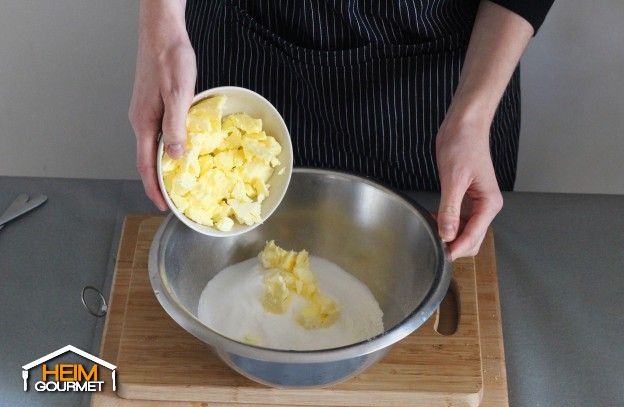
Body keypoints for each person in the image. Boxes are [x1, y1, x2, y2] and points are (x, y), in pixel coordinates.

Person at [129, 0, 553, 260]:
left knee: (418, 267)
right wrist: (160, 30)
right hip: (251, 43)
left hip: (439, 85)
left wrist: (473, 117)